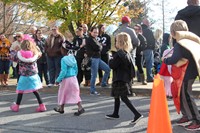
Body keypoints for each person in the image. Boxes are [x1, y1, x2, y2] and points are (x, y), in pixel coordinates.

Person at [162, 20, 200, 130]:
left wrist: (165, 60)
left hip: (185, 74)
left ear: (174, 32)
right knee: (183, 95)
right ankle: (188, 116)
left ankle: (196, 120)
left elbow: (175, 58)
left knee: (186, 96)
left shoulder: (180, 44)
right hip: (192, 72)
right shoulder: (190, 41)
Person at [105, 32, 143, 125]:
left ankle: (137, 114)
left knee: (123, 97)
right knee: (117, 96)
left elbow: (113, 65)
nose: (116, 42)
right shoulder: (126, 53)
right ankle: (115, 113)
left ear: (120, 42)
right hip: (124, 78)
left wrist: (110, 59)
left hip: (120, 78)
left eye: (117, 40)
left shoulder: (119, 54)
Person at [9, 37, 46, 112]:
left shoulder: (19, 54)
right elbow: (40, 53)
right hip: (33, 76)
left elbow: (11, 57)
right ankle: (42, 106)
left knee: (20, 91)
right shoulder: (34, 54)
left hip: (24, 76)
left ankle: (16, 106)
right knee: (35, 91)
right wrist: (36, 48)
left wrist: (14, 50)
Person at [53, 41, 85, 116]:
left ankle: (61, 108)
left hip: (66, 79)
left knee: (63, 93)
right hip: (73, 78)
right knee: (74, 93)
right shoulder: (73, 58)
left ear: (63, 50)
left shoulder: (63, 59)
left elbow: (63, 71)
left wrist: (58, 80)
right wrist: (74, 76)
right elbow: (76, 69)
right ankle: (80, 107)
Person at [86, 26, 111, 95]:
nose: (96, 34)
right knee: (94, 75)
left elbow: (99, 47)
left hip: (98, 58)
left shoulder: (95, 39)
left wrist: (100, 46)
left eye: (97, 32)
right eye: (94, 32)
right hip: (93, 58)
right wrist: (100, 46)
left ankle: (103, 83)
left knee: (108, 69)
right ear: (90, 32)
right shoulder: (89, 39)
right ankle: (92, 90)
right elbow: (97, 47)